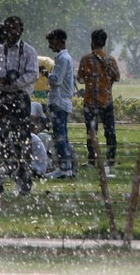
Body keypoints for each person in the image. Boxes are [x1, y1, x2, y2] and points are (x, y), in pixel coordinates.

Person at [0, 15, 39, 195]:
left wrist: (13, 82)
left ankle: (24, 181)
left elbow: (33, 75)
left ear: (21, 31)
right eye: (9, 29)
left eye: (15, 29)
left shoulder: (29, 51)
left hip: (20, 98)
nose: (12, 32)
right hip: (1, 99)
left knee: (22, 141)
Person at [77, 29, 120, 178]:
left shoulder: (85, 59)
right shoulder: (110, 59)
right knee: (110, 131)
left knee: (91, 132)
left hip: (90, 102)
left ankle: (92, 159)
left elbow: (80, 79)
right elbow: (117, 77)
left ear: (92, 41)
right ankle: (111, 159)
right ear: (105, 42)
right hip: (106, 100)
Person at [43, 29, 75, 179]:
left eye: (51, 42)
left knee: (60, 136)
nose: (50, 46)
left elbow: (57, 80)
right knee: (62, 136)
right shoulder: (64, 57)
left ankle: (64, 168)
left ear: (59, 40)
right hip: (61, 101)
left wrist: (45, 74)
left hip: (59, 101)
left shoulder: (63, 59)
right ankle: (66, 167)